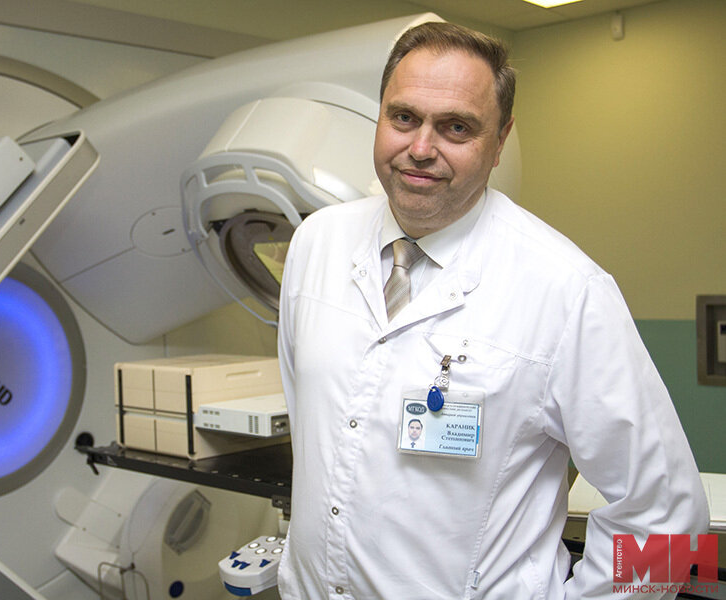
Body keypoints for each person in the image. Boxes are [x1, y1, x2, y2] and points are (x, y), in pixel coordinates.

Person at [276, 21, 709, 599]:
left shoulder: (567, 289)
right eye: (403, 117)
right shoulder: (316, 243)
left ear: (500, 141)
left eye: (456, 127)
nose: (421, 148)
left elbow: (671, 516)